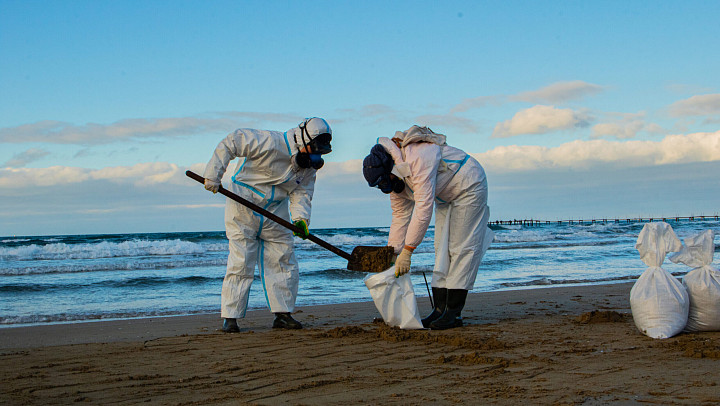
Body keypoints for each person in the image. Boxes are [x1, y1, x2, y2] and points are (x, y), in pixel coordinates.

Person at [203, 117, 333, 332]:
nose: (315, 155)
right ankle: (231, 317)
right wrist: (213, 175)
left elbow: (302, 192)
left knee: (283, 258)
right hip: (243, 202)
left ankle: (283, 315)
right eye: (313, 149)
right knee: (242, 259)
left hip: (275, 209)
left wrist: (301, 219)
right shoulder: (269, 142)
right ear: (302, 139)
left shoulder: (309, 166)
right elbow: (231, 142)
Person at [362, 125, 493, 330]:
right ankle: (439, 310)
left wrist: (409, 249)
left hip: (469, 184)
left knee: (461, 248)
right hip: (445, 194)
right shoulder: (396, 178)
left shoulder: (417, 159)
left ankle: (453, 313)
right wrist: (394, 252)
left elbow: (423, 207)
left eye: (385, 181)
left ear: (392, 168)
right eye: (380, 186)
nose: (385, 188)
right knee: (441, 248)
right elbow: (400, 216)